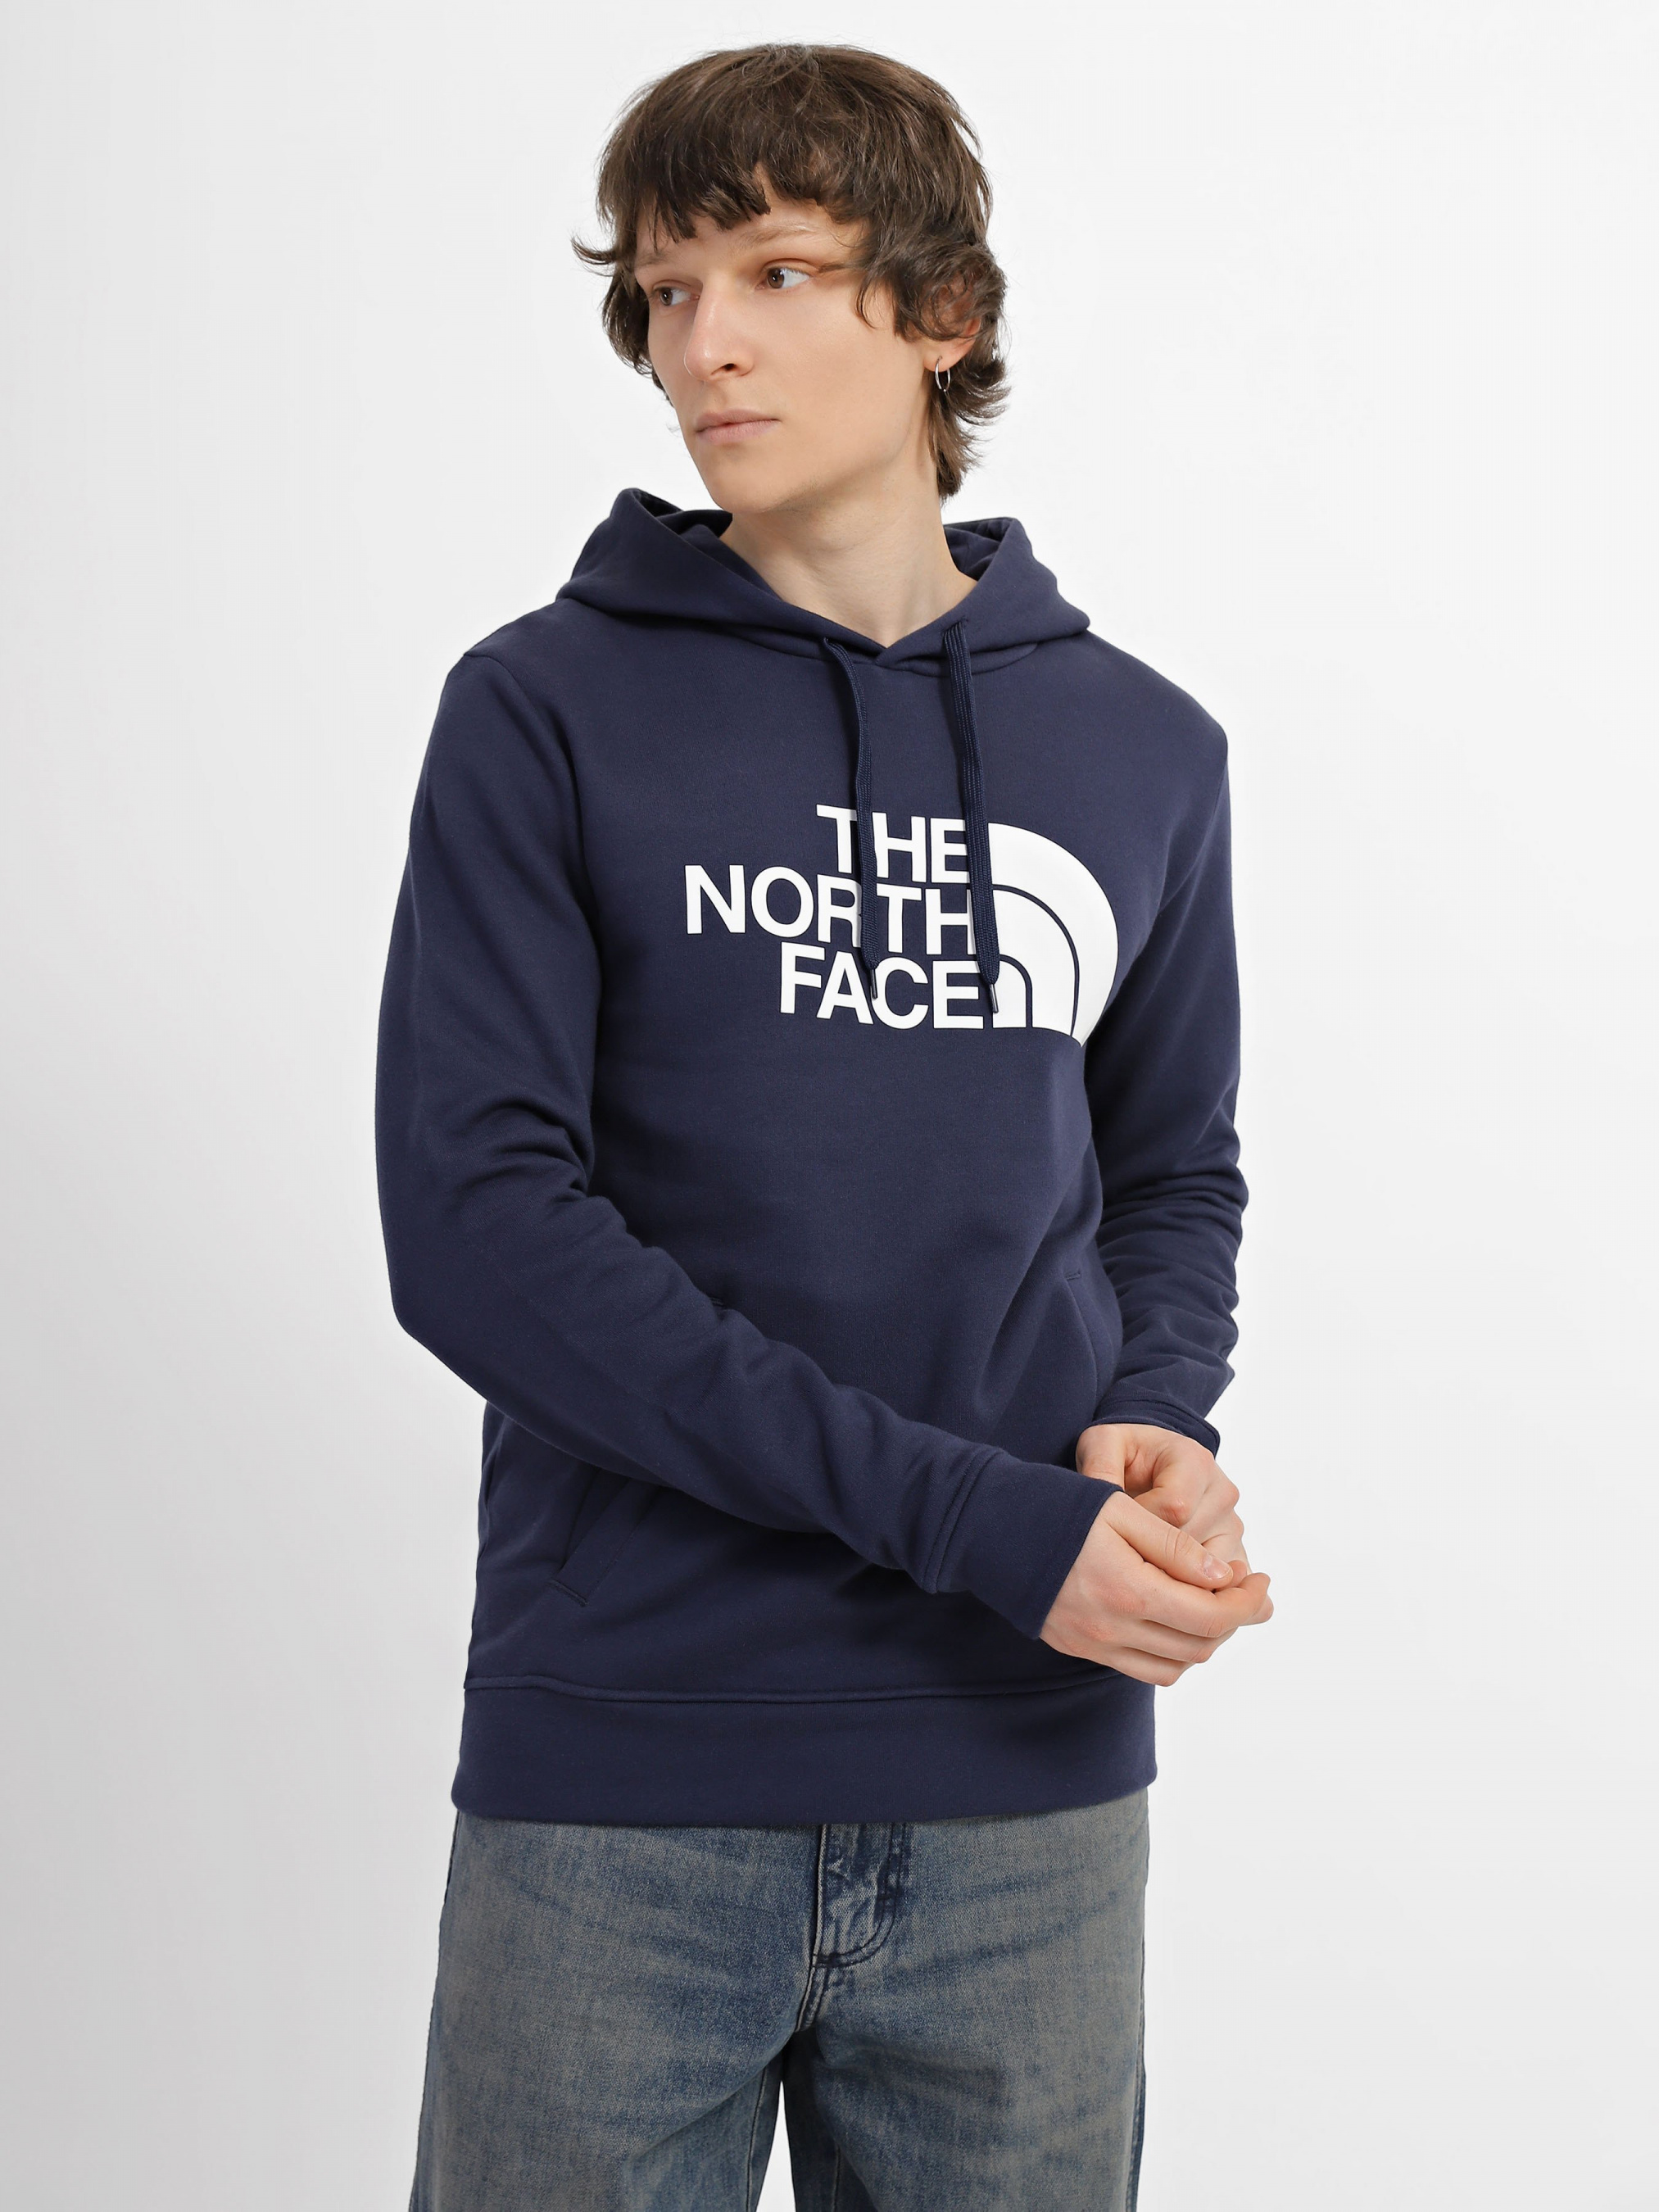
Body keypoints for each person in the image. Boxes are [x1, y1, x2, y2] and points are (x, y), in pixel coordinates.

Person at [376, 40, 1274, 2211]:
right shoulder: (543, 709)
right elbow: (482, 1233)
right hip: (629, 1770)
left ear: (941, 310)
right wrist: (983, 1527)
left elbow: (1168, 1172)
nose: (703, 343)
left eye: (775, 271)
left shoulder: (1142, 748)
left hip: (1029, 1784)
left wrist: (1154, 1410)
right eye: (666, 290)